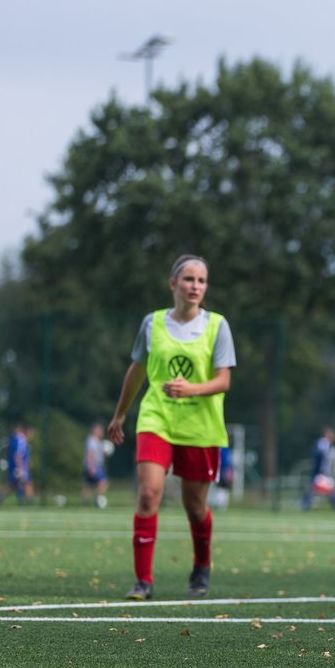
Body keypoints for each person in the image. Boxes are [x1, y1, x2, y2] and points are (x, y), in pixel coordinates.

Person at [108, 254, 236, 601]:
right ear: (173, 284)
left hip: (201, 426)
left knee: (195, 507)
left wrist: (190, 389)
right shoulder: (152, 323)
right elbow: (137, 371)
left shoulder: (217, 326)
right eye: (188, 279)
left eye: (201, 281)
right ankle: (143, 581)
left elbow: (223, 380)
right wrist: (120, 414)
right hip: (157, 419)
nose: (195, 286)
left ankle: (201, 566)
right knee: (149, 493)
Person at [304, 427, 335, 510]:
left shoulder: (329, 446)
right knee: (315, 489)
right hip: (320, 473)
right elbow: (320, 458)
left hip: (324, 473)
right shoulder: (323, 443)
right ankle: (305, 505)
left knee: (317, 489)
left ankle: (306, 505)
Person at [3, 422, 32, 505]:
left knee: (18, 483)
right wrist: (20, 467)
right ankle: (28, 501)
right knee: (16, 483)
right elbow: (18, 455)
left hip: (18, 466)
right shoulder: (20, 440)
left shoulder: (16, 440)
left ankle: (26, 500)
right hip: (18, 466)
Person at [82, 423, 110, 508]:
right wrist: (91, 467)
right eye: (99, 430)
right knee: (103, 482)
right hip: (94, 466)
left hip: (91, 466)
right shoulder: (93, 440)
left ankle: (85, 503)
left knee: (88, 485)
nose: (101, 432)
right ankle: (98, 500)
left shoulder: (96, 441)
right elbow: (90, 454)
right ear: (94, 430)